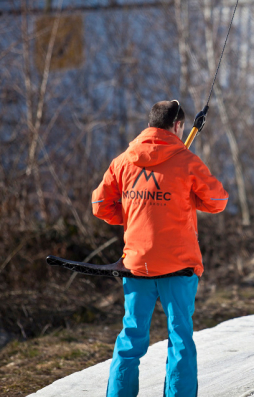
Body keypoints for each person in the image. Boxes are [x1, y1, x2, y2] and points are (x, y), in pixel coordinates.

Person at [91, 100, 228, 397]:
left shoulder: (123, 160)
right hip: (178, 265)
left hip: (136, 264)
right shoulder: (186, 161)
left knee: (130, 339)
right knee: (180, 338)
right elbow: (218, 201)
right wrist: (188, 199)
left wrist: (129, 215)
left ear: (151, 123)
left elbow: (100, 205)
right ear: (178, 126)